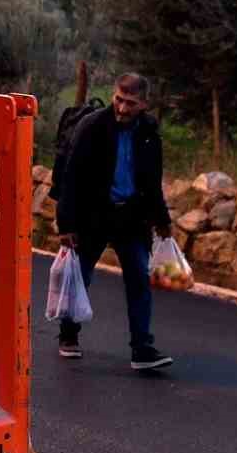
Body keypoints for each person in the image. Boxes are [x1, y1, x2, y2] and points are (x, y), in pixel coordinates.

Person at [54, 73, 175, 372]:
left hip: (131, 218)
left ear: (144, 104)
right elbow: (71, 177)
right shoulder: (92, 126)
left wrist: (162, 220)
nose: (122, 108)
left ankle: (142, 349)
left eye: (130, 103)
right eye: (119, 100)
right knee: (79, 277)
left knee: (139, 281)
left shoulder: (149, 132)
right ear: (113, 95)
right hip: (92, 216)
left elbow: (152, 181)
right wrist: (66, 225)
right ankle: (68, 335)